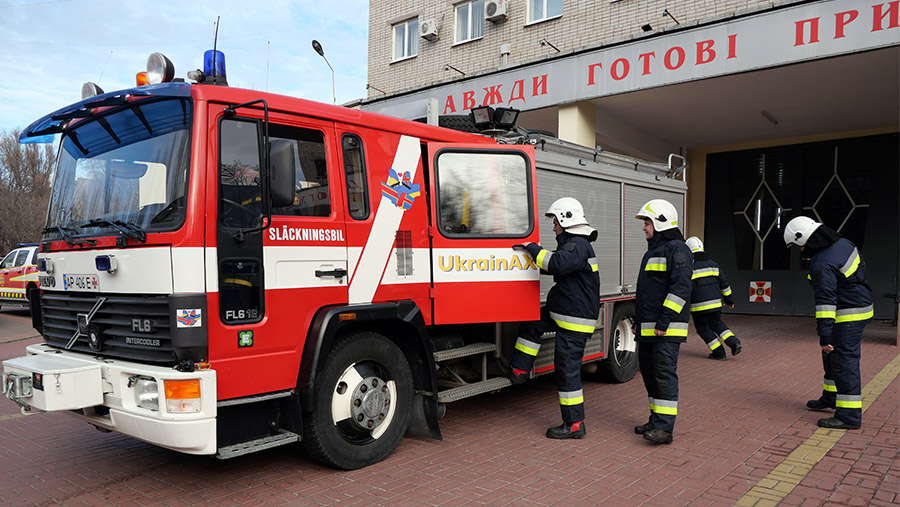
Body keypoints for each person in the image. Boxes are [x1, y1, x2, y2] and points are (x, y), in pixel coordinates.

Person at [498, 197, 600, 439]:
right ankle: (519, 370)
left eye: (555, 223)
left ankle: (574, 424)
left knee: (567, 371)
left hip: (574, 320)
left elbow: (556, 264)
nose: (554, 228)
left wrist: (533, 248)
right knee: (532, 322)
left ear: (565, 221)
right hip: (563, 312)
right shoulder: (574, 245)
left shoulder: (577, 245)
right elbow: (554, 266)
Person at [784, 216, 873, 430]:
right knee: (831, 356)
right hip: (859, 306)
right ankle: (831, 397)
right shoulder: (843, 243)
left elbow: (825, 301)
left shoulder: (822, 263)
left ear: (805, 239)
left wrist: (824, 334)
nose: (802, 250)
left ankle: (849, 416)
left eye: (800, 245)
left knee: (843, 360)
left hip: (847, 314)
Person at [632, 199, 692, 444]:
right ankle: (656, 419)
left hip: (665, 329)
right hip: (650, 328)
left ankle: (664, 429)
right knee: (650, 374)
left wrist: (664, 321)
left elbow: (681, 288)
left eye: (647, 222)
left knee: (663, 375)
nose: (644, 227)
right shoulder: (654, 251)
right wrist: (639, 322)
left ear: (660, 222)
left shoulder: (677, 249)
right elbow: (648, 293)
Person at [685, 236, 742, 360]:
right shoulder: (714, 265)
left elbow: (685, 289)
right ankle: (734, 342)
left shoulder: (689, 268)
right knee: (717, 324)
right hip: (716, 304)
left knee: (703, 328)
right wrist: (729, 300)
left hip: (698, 307)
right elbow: (725, 284)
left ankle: (719, 352)